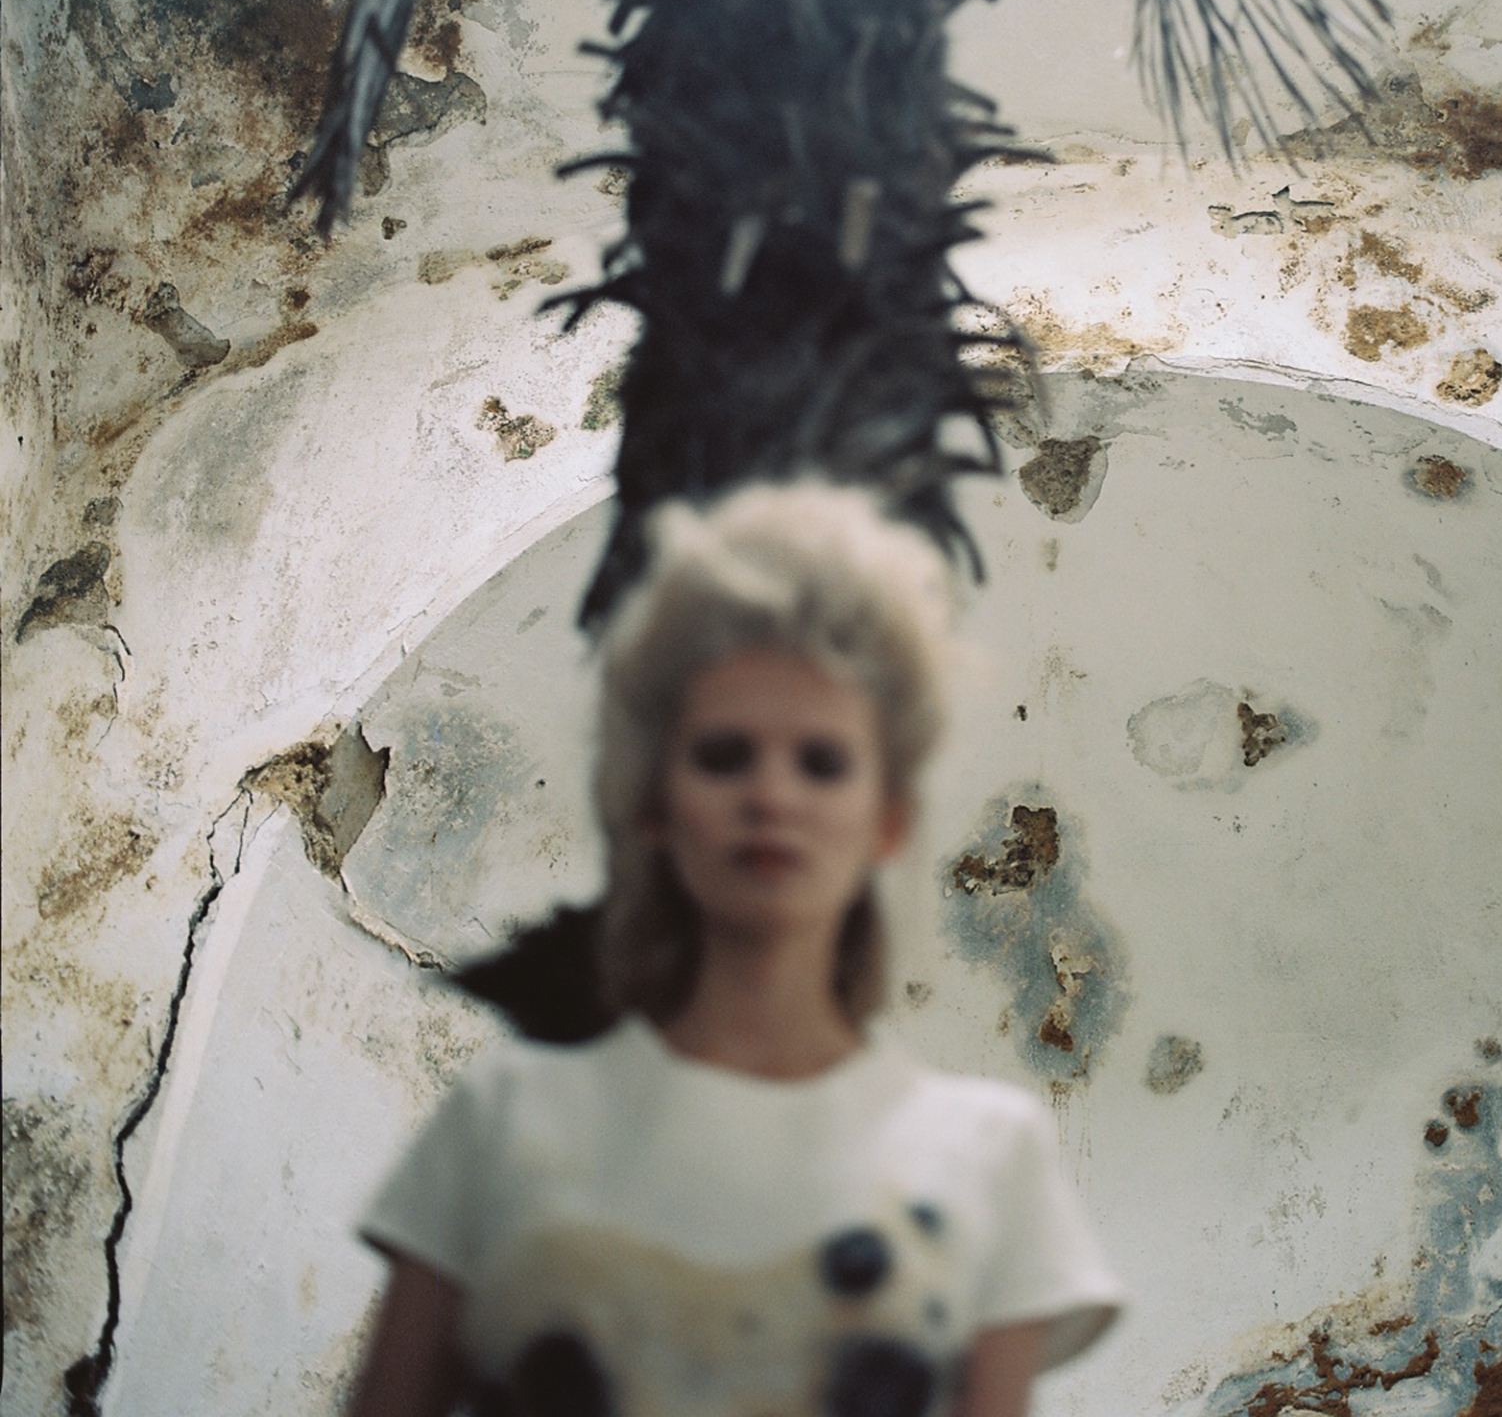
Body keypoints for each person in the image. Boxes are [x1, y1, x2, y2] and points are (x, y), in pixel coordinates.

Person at [349, 482, 1123, 1417]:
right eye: (724, 755)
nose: (772, 796)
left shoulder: (990, 1153)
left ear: (885, 821)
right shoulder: (504, 1120)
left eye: (822, 762)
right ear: (655, 805)